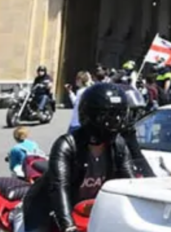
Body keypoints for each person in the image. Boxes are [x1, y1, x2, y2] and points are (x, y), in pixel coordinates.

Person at [19, 83, 135, 232]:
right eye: (109, 117)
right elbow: (59, 187)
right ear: (91, 116)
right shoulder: (67, 145)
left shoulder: (118, 145)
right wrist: (69, 227)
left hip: (89, 211)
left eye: (120, 116)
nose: (116, 122)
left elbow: (130, 183)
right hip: (46, 209)